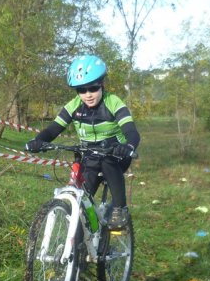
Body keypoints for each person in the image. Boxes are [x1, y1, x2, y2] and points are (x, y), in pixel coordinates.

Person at [26, 54, 140, 230]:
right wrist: (38, 141)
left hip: (116, 154)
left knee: (107, 161)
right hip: (90, 156)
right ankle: (83, 243)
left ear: (101, 84)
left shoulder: (113, 102)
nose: (87, 95)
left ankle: (120, 208)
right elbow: (53, 129)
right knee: (83, 201)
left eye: (93, 88)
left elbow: (131, 131)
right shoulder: (73, 106)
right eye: (81, 90)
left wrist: (128, 146)